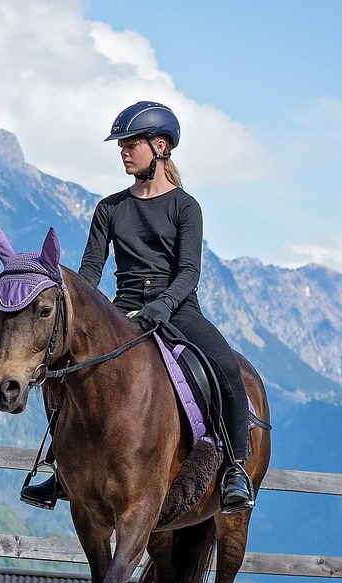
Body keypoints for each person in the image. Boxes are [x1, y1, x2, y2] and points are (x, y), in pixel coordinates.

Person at [21, 100, 255, 514]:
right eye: (121, 145)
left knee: (226, 367)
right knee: (61, 368)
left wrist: (165, 304)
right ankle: (59, 466)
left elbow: (188, 271)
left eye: (132, 143)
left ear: (160, 147)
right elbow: (91, 269)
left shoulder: (186, 207)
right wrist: (76, 311)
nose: (124, 151)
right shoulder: (109, 208)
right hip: (123, 307)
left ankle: (235, 467)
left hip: (177, 308)